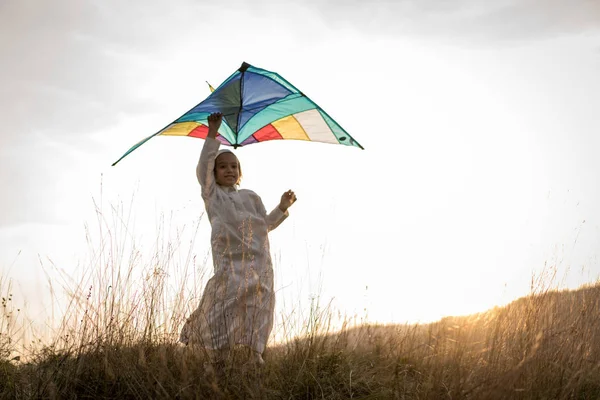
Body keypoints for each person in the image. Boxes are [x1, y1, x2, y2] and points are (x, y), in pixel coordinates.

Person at [180, 112, 296, 365]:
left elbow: (264, 225)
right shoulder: (213, 196)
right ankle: (212, 354)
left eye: (234, 166)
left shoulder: (251, 197)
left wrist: (282, 207)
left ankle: (254, 356)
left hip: (258, 266)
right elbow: (203, 168)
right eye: (223, 166)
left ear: (240, 171)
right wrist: (213, 133)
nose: (229, 170)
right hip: (229, 265)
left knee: (258, 306)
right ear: (214, 172)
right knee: (221, 304)